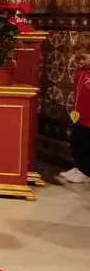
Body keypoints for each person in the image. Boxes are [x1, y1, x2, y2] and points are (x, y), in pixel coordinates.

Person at [61, 53, 90, 183]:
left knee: (85, 144)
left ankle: (85, 171)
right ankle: (78, 167)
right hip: (79, 116)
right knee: (76, 142)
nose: (81, 61)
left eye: (85, 58)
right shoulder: (81, 72)